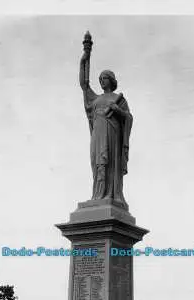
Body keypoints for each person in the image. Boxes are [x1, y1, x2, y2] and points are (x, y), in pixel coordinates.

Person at [79, 38, 133, 207]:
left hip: (112, 134)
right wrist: (85, 56)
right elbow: (84, 84)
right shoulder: (95, 99)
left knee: (108, 162)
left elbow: (129, 117)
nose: (102, 80)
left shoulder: (118, 100)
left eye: (105, 78)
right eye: (100, 78)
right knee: (97, 164)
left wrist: (118, 111)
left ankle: (110, 194)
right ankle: (98, 195)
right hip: (97, 135)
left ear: (112, 80)